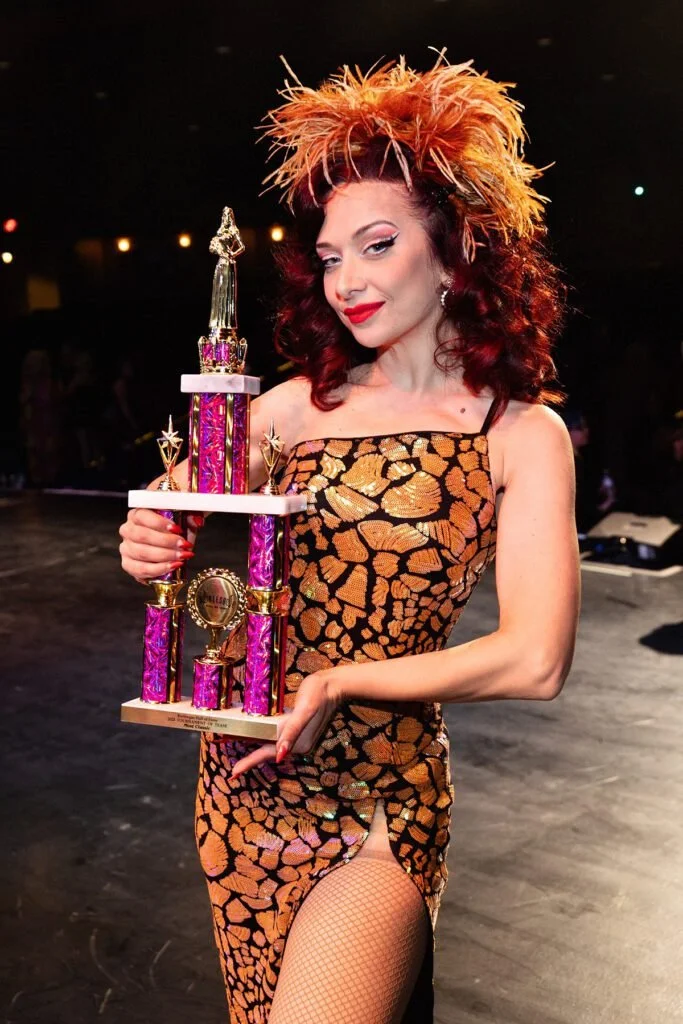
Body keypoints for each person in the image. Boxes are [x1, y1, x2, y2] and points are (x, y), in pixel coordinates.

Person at [118, 50, 580, 1024]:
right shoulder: (295, 407)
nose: (346, 279)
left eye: (375, 245)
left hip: (378, 796)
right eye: (330, 256)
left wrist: (341, 680)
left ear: (455, 250)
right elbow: (180, 493)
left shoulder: (515, 432)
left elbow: (534, 658)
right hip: (241, 788)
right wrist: (148, 529)